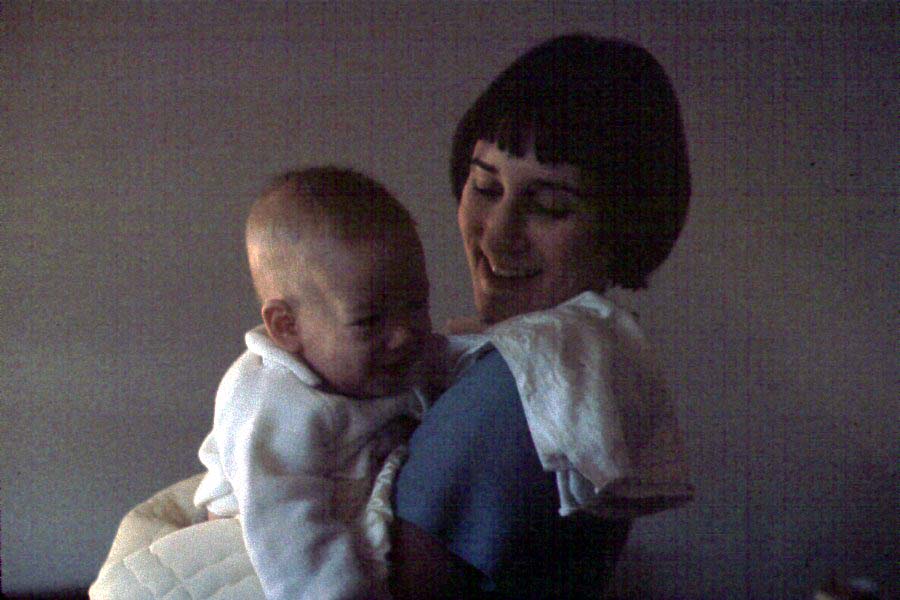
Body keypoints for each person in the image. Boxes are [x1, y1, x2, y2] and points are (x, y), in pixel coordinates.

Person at [390, 34, 692, 599]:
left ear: (622, 226)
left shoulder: (527, 380)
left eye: (550, 206)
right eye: (486, 186)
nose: (497, 234)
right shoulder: (601, 360)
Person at [193, 167, 445, 600]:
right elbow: (287, 529)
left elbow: (452, 359)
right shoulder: (270, 400)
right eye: (368, 321)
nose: (404, 334)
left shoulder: (389, 360)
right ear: (287, 327)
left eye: (416, 305)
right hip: (264, 554)